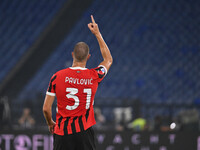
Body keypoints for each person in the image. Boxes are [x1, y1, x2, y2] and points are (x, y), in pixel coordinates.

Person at [43, 15, 112, 150]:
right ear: (89, 57)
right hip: (84, 132)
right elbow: (108, 59)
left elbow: (46, 108)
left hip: (62, 132)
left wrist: (50, 123)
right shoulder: (94, 75)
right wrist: (97, 33)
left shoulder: (57, 76)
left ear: (72, 54)